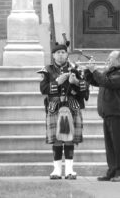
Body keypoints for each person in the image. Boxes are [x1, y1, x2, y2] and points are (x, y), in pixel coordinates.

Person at [37, 42, 89, 180]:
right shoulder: (46, 70)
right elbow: (43, 89)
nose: (61, 55)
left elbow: (85, 89)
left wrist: (76, 83)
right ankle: (57, 170)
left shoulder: (75, 68)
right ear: (53, 55)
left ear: (67, 54)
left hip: (72, 106)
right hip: (54, 106)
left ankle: (70, 170)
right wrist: (57, 82)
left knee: (70, 139)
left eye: (63, 52)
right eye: (58, 53)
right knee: (56, 140)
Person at [85, 50, 120, 182]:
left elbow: (106, 82)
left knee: (118, 145)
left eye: (110, 58)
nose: (107, 61)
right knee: (110, 146)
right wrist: (89, 71)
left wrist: (95, 71)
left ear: (119, 61)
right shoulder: (109, 73)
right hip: (107, 114)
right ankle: (112, 171)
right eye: (108, 58)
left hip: (116, 114)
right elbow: (96, 81)